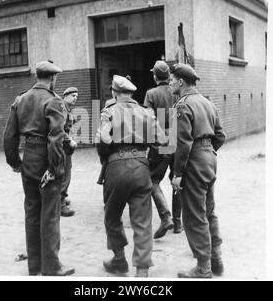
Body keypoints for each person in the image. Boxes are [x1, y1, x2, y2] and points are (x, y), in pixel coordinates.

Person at [3, 60, 75, 276]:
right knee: (50, 214)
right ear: (53, 78)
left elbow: (9, 136)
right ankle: (52, 266)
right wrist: (53, 168)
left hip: (29, 158)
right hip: (46, 159)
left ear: (37, 76)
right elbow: (55, 138)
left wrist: (16, 162)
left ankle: (34, 265)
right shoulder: (54, 102)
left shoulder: (21, 99)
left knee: (32, 211)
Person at [96, 75, 167, 277]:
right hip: (141, 167)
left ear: (114, 92)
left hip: (115, 167)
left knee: (111, 216)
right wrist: (149, 162)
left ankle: (119, 260)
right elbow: (163, 142)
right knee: (142, 221)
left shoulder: (108, 112)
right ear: (131, 93)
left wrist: (107, 159)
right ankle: (142, 271)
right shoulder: (147, 112)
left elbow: (101, 142)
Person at [170, 63, 226, 278]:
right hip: (209, 159)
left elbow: (182, 143)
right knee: (209, 210)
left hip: (193, 161)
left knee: (194, 216)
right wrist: (207, 151)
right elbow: (220, 136)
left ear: (181, 82)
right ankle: (216, 260)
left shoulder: (182, 105)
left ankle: (203, 268)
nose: (171, 83)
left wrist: (177, 174)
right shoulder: (208, 103)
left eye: (173, 80)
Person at [144, 60, 182, 239]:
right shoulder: (177, 92)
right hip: (178, 140)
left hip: (161, 142)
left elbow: (148, 120)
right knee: (177, 179)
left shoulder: (151, 94)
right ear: (168, 76)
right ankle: (178, 222)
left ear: (154, 76)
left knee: (152, 180)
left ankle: (166, 217)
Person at [60, 87, 78, 217]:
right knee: (64, 174)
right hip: (62, 146)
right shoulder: (62, 109)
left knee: (67, 172)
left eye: (76, 96)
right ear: (65, 96)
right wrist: (69, 140)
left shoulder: (67, 109)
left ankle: (62, 197)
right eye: (72, 95)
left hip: (65, 147)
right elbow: (59, 128)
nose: (75, 98)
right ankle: (60, 205)